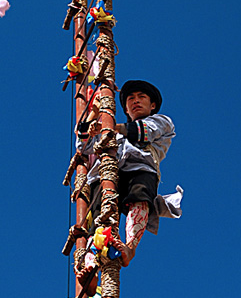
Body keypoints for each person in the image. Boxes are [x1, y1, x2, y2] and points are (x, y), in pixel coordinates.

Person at [76, 80, 182, 271]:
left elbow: (142, 132)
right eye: (131, 98)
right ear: (125, 107)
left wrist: (108, 128)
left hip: (139, 169)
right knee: (100, 213)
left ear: (153, 105)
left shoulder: (162, 122)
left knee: (139, 197)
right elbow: (83, 146)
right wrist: (94, 112)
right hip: (105, 174)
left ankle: (130, 247)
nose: (136, 101)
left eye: (142, 97)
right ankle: (91, 262)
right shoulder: (113, 132)